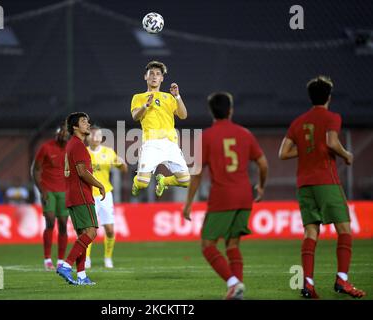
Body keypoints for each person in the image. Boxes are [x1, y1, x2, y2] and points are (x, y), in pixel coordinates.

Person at [279, 75, 366, 299]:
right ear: (329, 96)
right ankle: (342, 281)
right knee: (345, 229)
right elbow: (331, 142)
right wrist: (346, 155)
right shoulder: (332, 117)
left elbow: (283, 153)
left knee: (310, 231)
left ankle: (307, 284)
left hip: (304, 184)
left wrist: (308, 149)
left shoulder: (298, 122)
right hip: (326, 181)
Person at [183, 92, 268, 300]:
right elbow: (263, 163)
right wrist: (261, 187)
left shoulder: (207, 137)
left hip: (223, 197)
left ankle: (233, 283)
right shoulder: (245, 134)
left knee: (207, 245)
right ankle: (236, 292)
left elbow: (196, 174)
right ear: (231, 110)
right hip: (244, 196)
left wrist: (188, 204)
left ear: (211, 111)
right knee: (232, 244)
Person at [56, 112, 105, 286]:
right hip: (82, 194)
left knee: (83, 236)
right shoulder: (78, 146)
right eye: (84, 121)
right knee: (91, 232)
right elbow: (83, 172)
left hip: (72, 195)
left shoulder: (72, 145)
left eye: (88, 120)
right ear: (75, 127)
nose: (88, 123)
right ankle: (66, 265)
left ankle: (82, 276)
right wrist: (100, 185)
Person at [130, 61, 190, 198]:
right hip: (151, 144)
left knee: (185, 181)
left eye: (158, 74)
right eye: (151, 74)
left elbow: (183, 115)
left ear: (162, 78)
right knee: (143, 184)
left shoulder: (169, 97)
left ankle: (163, 180)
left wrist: (178, 97)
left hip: (170, 144)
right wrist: (145, 106)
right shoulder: (138, 97)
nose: (154, 76)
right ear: (145, 77)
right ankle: (136, 181)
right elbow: (134, 116)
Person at [85, 125, 128, 269]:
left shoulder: (108, 152)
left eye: (98, 135)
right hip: (88, 195)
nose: (95, 138)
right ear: (87, 137)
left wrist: (122, 164)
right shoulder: (83, 153)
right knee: (89, 229)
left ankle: (108, 258)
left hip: (105, 195)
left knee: (109, 229)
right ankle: (86, 259)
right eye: (92, 135)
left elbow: (123, 169)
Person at [32, 123, 70, 271]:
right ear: (57, 134)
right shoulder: (46, 148)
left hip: (64, 192)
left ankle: (60, 260)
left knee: (62, 224)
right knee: (49, 221)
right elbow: (36, 170)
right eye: (63, 134)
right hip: (48, 190)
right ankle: (47, 259)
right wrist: (42, 190)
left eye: (67, 135)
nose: (65, 137)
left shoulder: (70, 149)